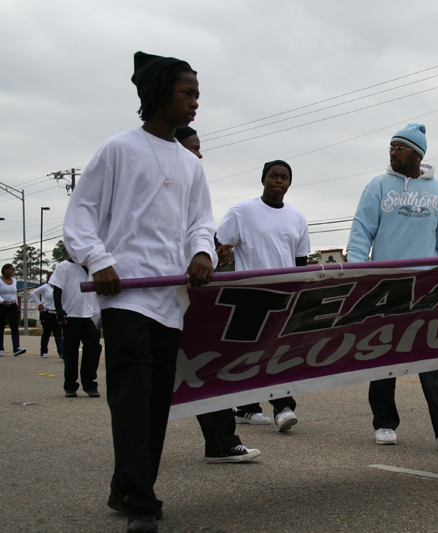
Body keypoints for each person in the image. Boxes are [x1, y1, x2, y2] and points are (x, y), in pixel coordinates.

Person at [63, 51, 218, 533]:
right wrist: (99, 260)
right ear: (158, 94)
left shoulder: (190, 165)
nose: (195, 102)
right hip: (125, 294)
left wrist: (202, 255)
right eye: (186, 92)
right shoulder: (117, 149)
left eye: (197, 93)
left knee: (154, 402)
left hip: (170, 300)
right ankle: (142, 502)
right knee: (131, 400)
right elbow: (80, 215)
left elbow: (201, 223)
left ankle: (125, 487)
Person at [346, 123, 438, 448]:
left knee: (434, 352)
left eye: (400, 148)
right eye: (391, 147)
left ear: (418, 153)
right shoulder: (378, 186)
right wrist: (358, 272)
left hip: (427, 285)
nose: (393, 153)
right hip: (385, 284)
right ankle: (384, 422)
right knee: (385, 354)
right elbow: (361, 231)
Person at [176, 126, 261, 464]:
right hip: (154, 301)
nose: (199, 155)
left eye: (200, 149)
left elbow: (199, 238)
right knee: (150, 380)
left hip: (191, 300)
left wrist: (212, 256)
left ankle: (222, 442)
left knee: (207, 369)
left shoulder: (195, 194)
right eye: (192, 148)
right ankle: (135, 458)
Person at [215, 159, 308, 432]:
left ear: (289, 183)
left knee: (277, 352)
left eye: (284, 177)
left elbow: (300, 261)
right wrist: (222, 253)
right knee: (251, 353)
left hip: (284, 294)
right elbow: (219, 242)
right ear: (263, 179)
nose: (278, 181)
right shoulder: (242, 211)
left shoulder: (297, 217)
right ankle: (278, 407)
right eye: (273, 176)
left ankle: (250, 407)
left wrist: (298, 292)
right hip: (251, 293)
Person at [49, 260, 102, 397]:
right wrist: (59, 309)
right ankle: (70, 386)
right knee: (71, 351)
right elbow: (57, 290)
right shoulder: (64, 266)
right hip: (71, 314)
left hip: (91, 315)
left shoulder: (94, 265)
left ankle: (90, 383)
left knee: (93, 349)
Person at [31, 278, 64, 358]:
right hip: (46, 313)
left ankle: (61, 352)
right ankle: (44, 351)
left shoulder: (60, 287)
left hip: (56, 313)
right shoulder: (46, 287)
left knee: (58, 333)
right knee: (46, 332)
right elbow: (33, 293)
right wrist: (39, 304)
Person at [0, 264, 26, 356]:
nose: (11, 271)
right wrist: (2, 301)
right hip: (2, 306)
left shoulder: (14, 281)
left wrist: (17, 306)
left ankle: (16, 348)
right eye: (9, 269)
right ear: (4, 270)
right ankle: (0, 349)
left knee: (14, 327)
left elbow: (14, 294)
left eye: (12, 270)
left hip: (12, 306)